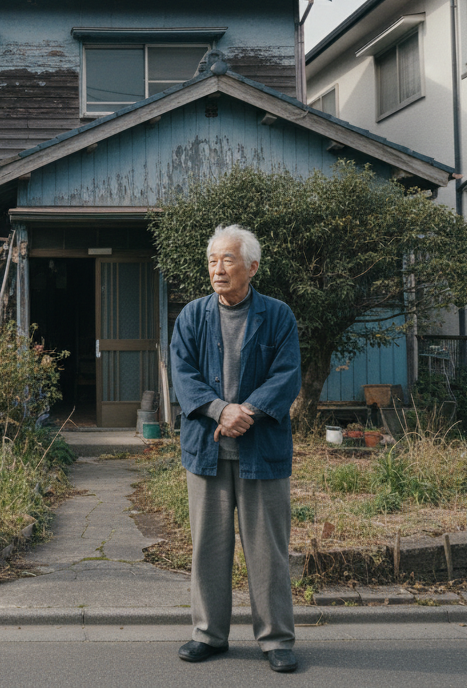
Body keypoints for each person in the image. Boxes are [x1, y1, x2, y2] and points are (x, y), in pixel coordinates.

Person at [168, 224, 302, 674]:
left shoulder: (278, 315)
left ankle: (276, 639)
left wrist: (247, 412)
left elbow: (287, 374)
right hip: (206, 451)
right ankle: (209, 634)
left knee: (268, 551)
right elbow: (183, 373)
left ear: (252, 267)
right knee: (208, 548)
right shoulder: (192, 315)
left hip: (262, 450)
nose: (218, 269)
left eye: (227, 260)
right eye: (212, 261)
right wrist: (220, 410)